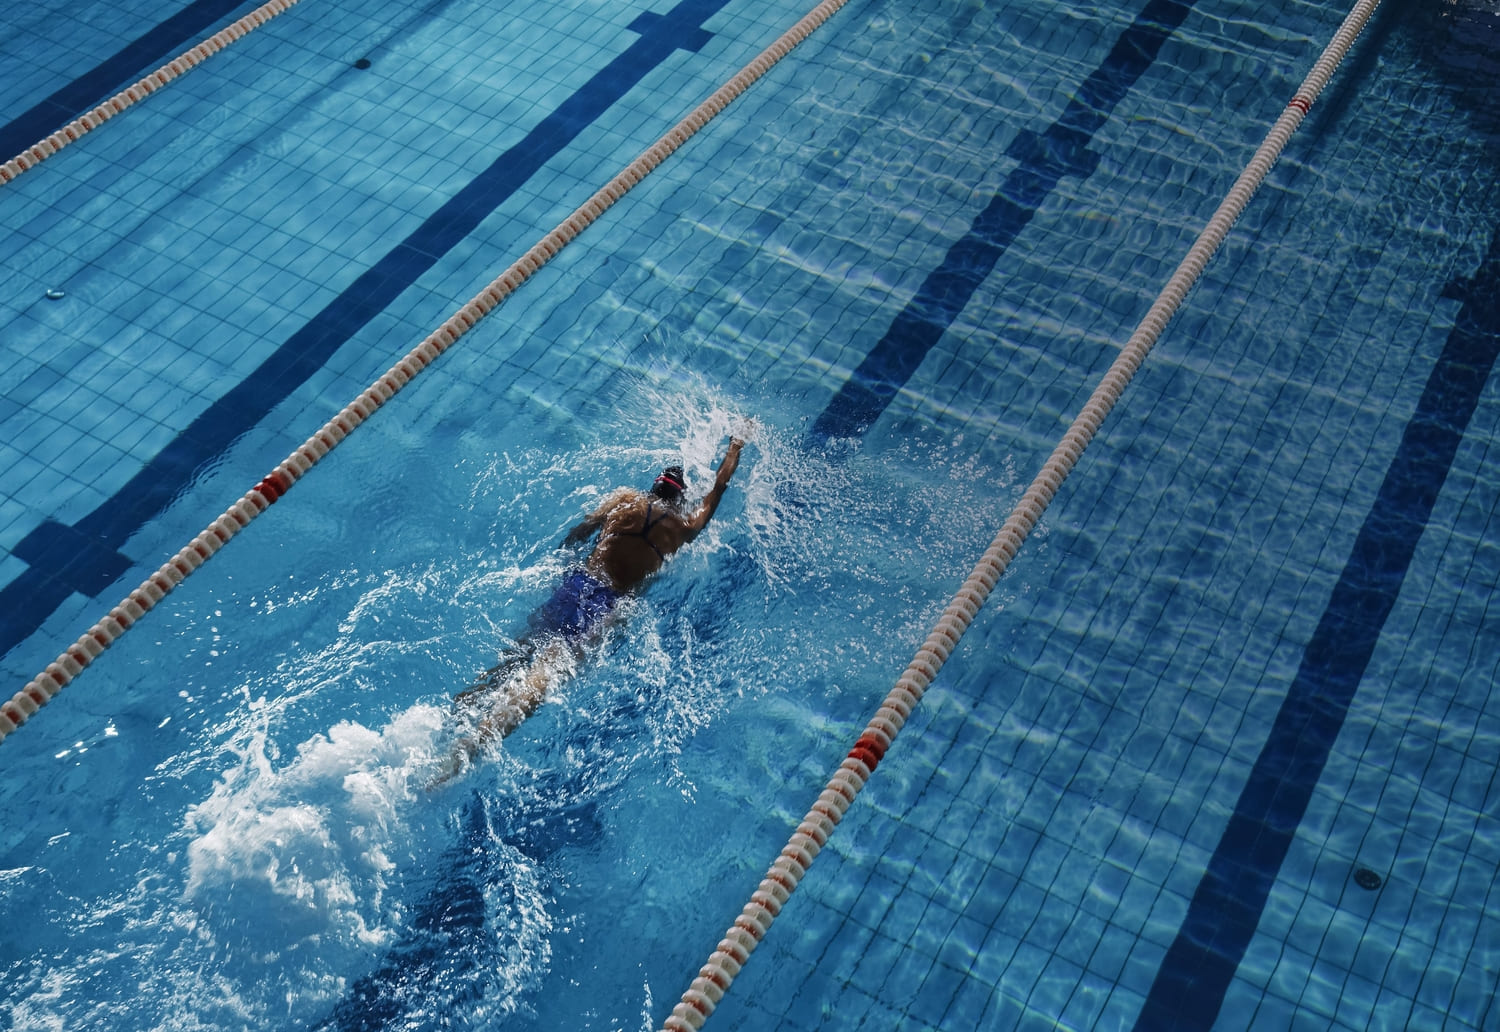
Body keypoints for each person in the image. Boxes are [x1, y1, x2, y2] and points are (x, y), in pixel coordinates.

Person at [432, 437, 746, 783]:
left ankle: (453, 715)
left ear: (653, 487)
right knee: (543, 678)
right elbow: (719, 486)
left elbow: (577, 534)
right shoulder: (683, 529)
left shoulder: (624, 500)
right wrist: (736, 446)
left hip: (576, 587)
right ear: (679, 500)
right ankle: (473, 746)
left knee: (517, 658)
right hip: (606, 606)